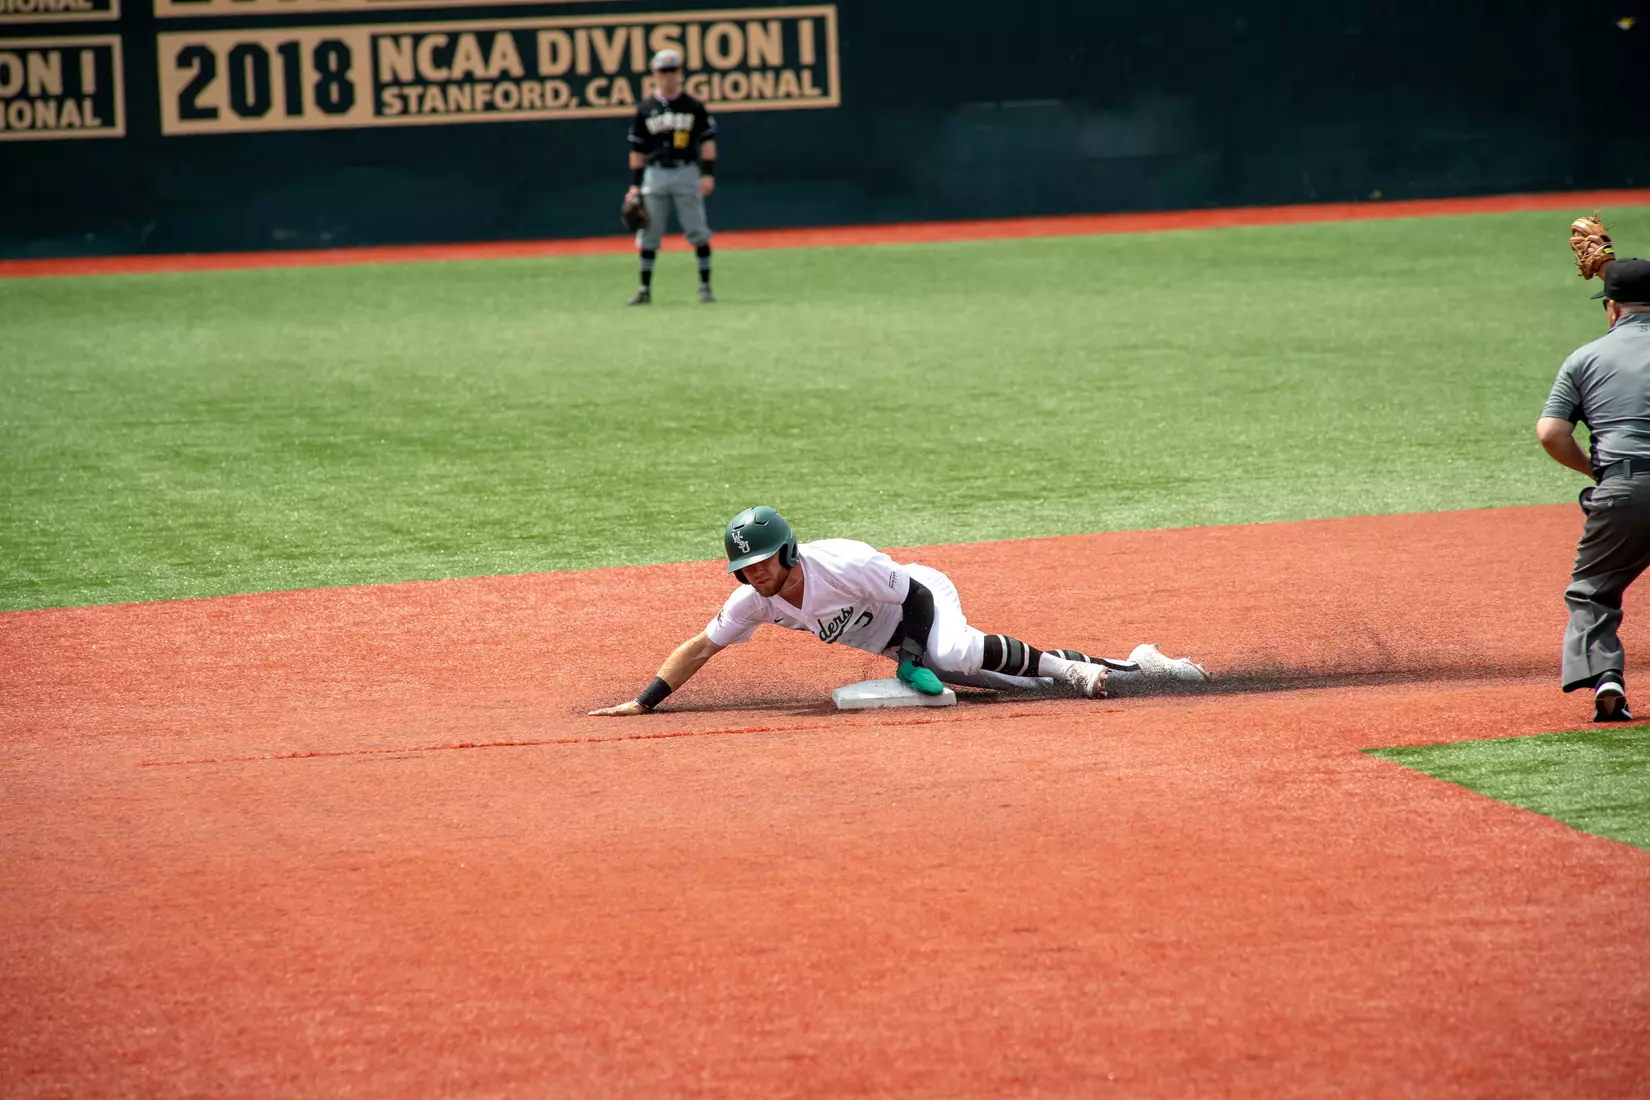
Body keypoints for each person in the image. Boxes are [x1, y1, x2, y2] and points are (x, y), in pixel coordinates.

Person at [589, 507, 1208, 716]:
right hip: (895, 641)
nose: (754, 573)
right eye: (743, 567)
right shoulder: (754, 602)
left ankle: (1074, 670)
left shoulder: (842, 562)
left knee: (953, 651)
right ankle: (1137, 664)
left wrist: (912, 657)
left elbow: (913, 596)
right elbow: (702, 646)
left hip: (920, 598)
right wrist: (644, 701)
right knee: (1006, 680)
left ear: (789, 551)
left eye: (762, 561)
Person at [1537, 257, 1650, 721]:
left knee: (1593, 592)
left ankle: (1605, 676)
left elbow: (1551, 433)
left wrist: (1595, 473)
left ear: (1611, 308)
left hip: (1625, 488)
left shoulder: (1585, 358)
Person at [624, 48, 717, 306]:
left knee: (697, 230)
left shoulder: (693, 106)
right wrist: (634, 185)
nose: (668, 75)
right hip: (655, 174)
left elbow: (707, 142)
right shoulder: (645, 109)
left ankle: (705, 286)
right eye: (663, 71)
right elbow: (637, 150)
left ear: (680, 73)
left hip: (686, 171)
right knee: (649, 233)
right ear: (654, 73)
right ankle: (644, 289)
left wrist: (708, 174)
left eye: (672, 70)